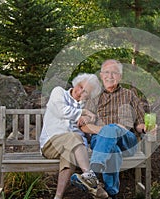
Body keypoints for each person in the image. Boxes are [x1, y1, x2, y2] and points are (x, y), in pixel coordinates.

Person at [73, 59, 150, 199]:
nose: (110, 76)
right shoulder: (94, 97)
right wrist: (107, 130)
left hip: (127, 140)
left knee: (112, 131)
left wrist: (146, 128)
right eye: (107, 72)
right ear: (101, 75)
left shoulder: (129, 95)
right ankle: (111, 195)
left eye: (114, 73)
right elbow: (83, 126)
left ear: (120, 76)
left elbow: (139, 123)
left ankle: (93, 174)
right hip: (102, 142)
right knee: (112, 149)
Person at [39, 73, 108, 199]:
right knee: (74, 137)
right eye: (80, 86)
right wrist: (83, 113)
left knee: (70, 154)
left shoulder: (86, 106)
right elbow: (62, 110)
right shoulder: (59, 92)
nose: (80, 91)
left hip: (74, 147)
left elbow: (88, 131)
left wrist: (88, 121)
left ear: (89, 95)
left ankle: (58, 197)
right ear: (76, 83)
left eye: (85, 91)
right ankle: (90, 177)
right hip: (51, 144)